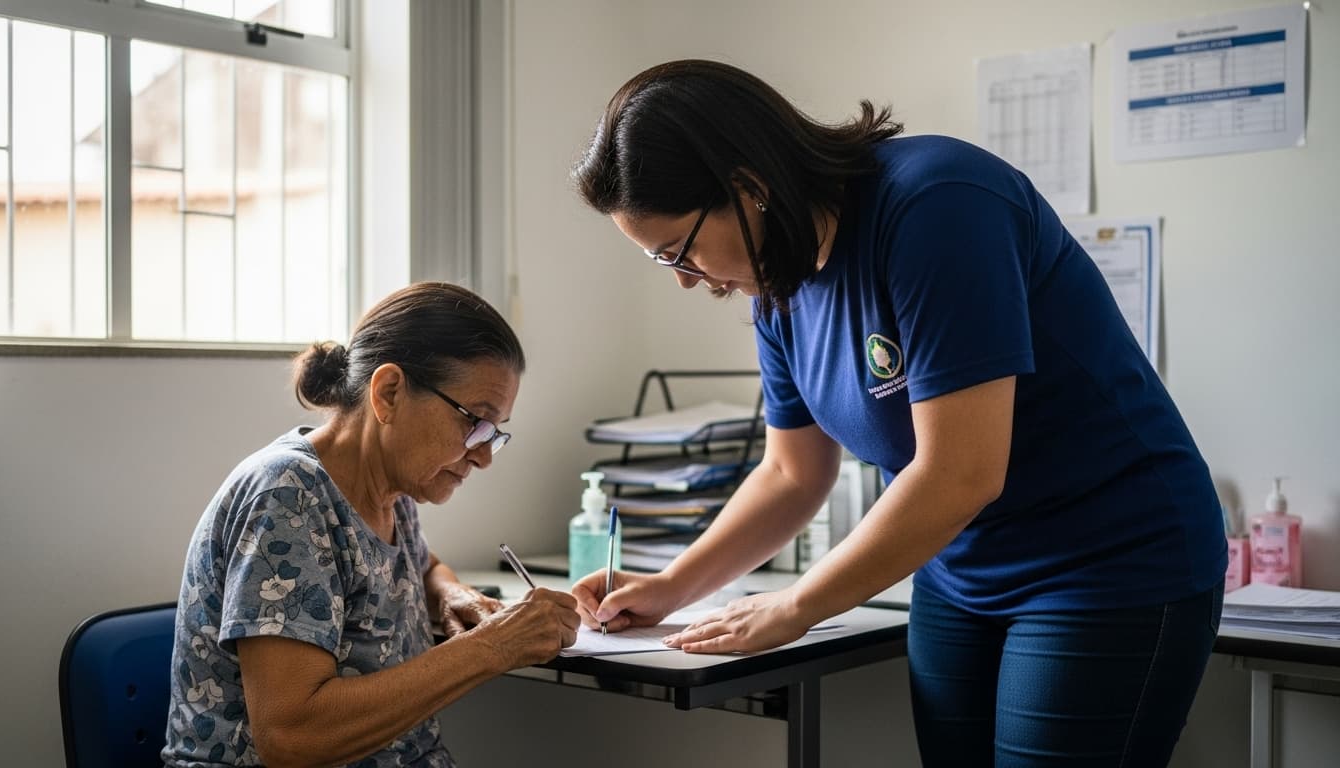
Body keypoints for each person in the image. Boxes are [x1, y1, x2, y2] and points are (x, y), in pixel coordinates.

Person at [570, 59, 1224, 767]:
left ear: (748, 187)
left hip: (1107, 559)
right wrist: (672, 586)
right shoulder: (779, 287)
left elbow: (961, 473)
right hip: (958, 573)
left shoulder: (937, 204)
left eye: (679, 251)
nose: (685, 279)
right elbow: (792, 473)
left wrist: (795, 605)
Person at [162, 282, 579, 768]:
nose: (484, 457)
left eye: (495, 433)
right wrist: (491, 647)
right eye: (476, 424)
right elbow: (291, 735)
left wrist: (450, 592)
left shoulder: (391, 489)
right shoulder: (288, 495)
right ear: (389, 392)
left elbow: (422, 567)